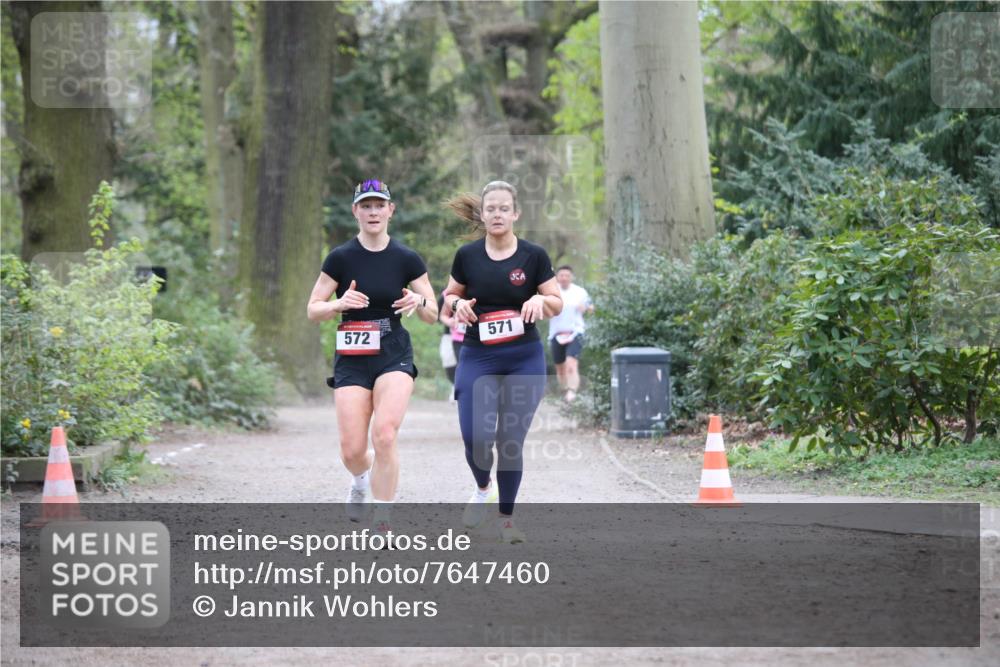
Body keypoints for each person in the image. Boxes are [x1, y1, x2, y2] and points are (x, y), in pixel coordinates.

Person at [306, 179, 438, 535]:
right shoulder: (340, 257)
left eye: (380, 205)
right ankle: (360, 478)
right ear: (356, 212)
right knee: (352, 450)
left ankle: (383, 521)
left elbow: (433, 313)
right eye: (366, 206)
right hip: (352, 353)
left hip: (392, 349)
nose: (373, 211)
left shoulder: (406, 258)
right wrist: (338, 304)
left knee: (385, 434)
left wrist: (419, 301)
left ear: (391, 211)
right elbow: (313, 309)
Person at [442, 180, 562, 543]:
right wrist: (457, 304)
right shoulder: (468, 256)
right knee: (474, 437)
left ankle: (507, 521)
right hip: (479, 355)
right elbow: (449, 295)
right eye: (490, 208)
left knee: (509, 441)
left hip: (524, 356)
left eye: (503, 208)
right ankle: (483, 488)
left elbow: (556, 300)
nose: (496, 214)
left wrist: (542, 303)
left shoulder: (533, 256)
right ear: (482, 213)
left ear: (515, 214)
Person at [547, 265, 593, 402]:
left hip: (575, 332)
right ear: (557, 277)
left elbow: (591, 308)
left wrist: (585, 308)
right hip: (556, 333)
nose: (564, 278)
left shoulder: (580, 292)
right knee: (560, 368)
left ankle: (572, 393)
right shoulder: (551, 292)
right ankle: (564, 392)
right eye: (561, 275)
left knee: (571, 364)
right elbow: (544, 310)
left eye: (567, 275)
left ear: (571, 277)